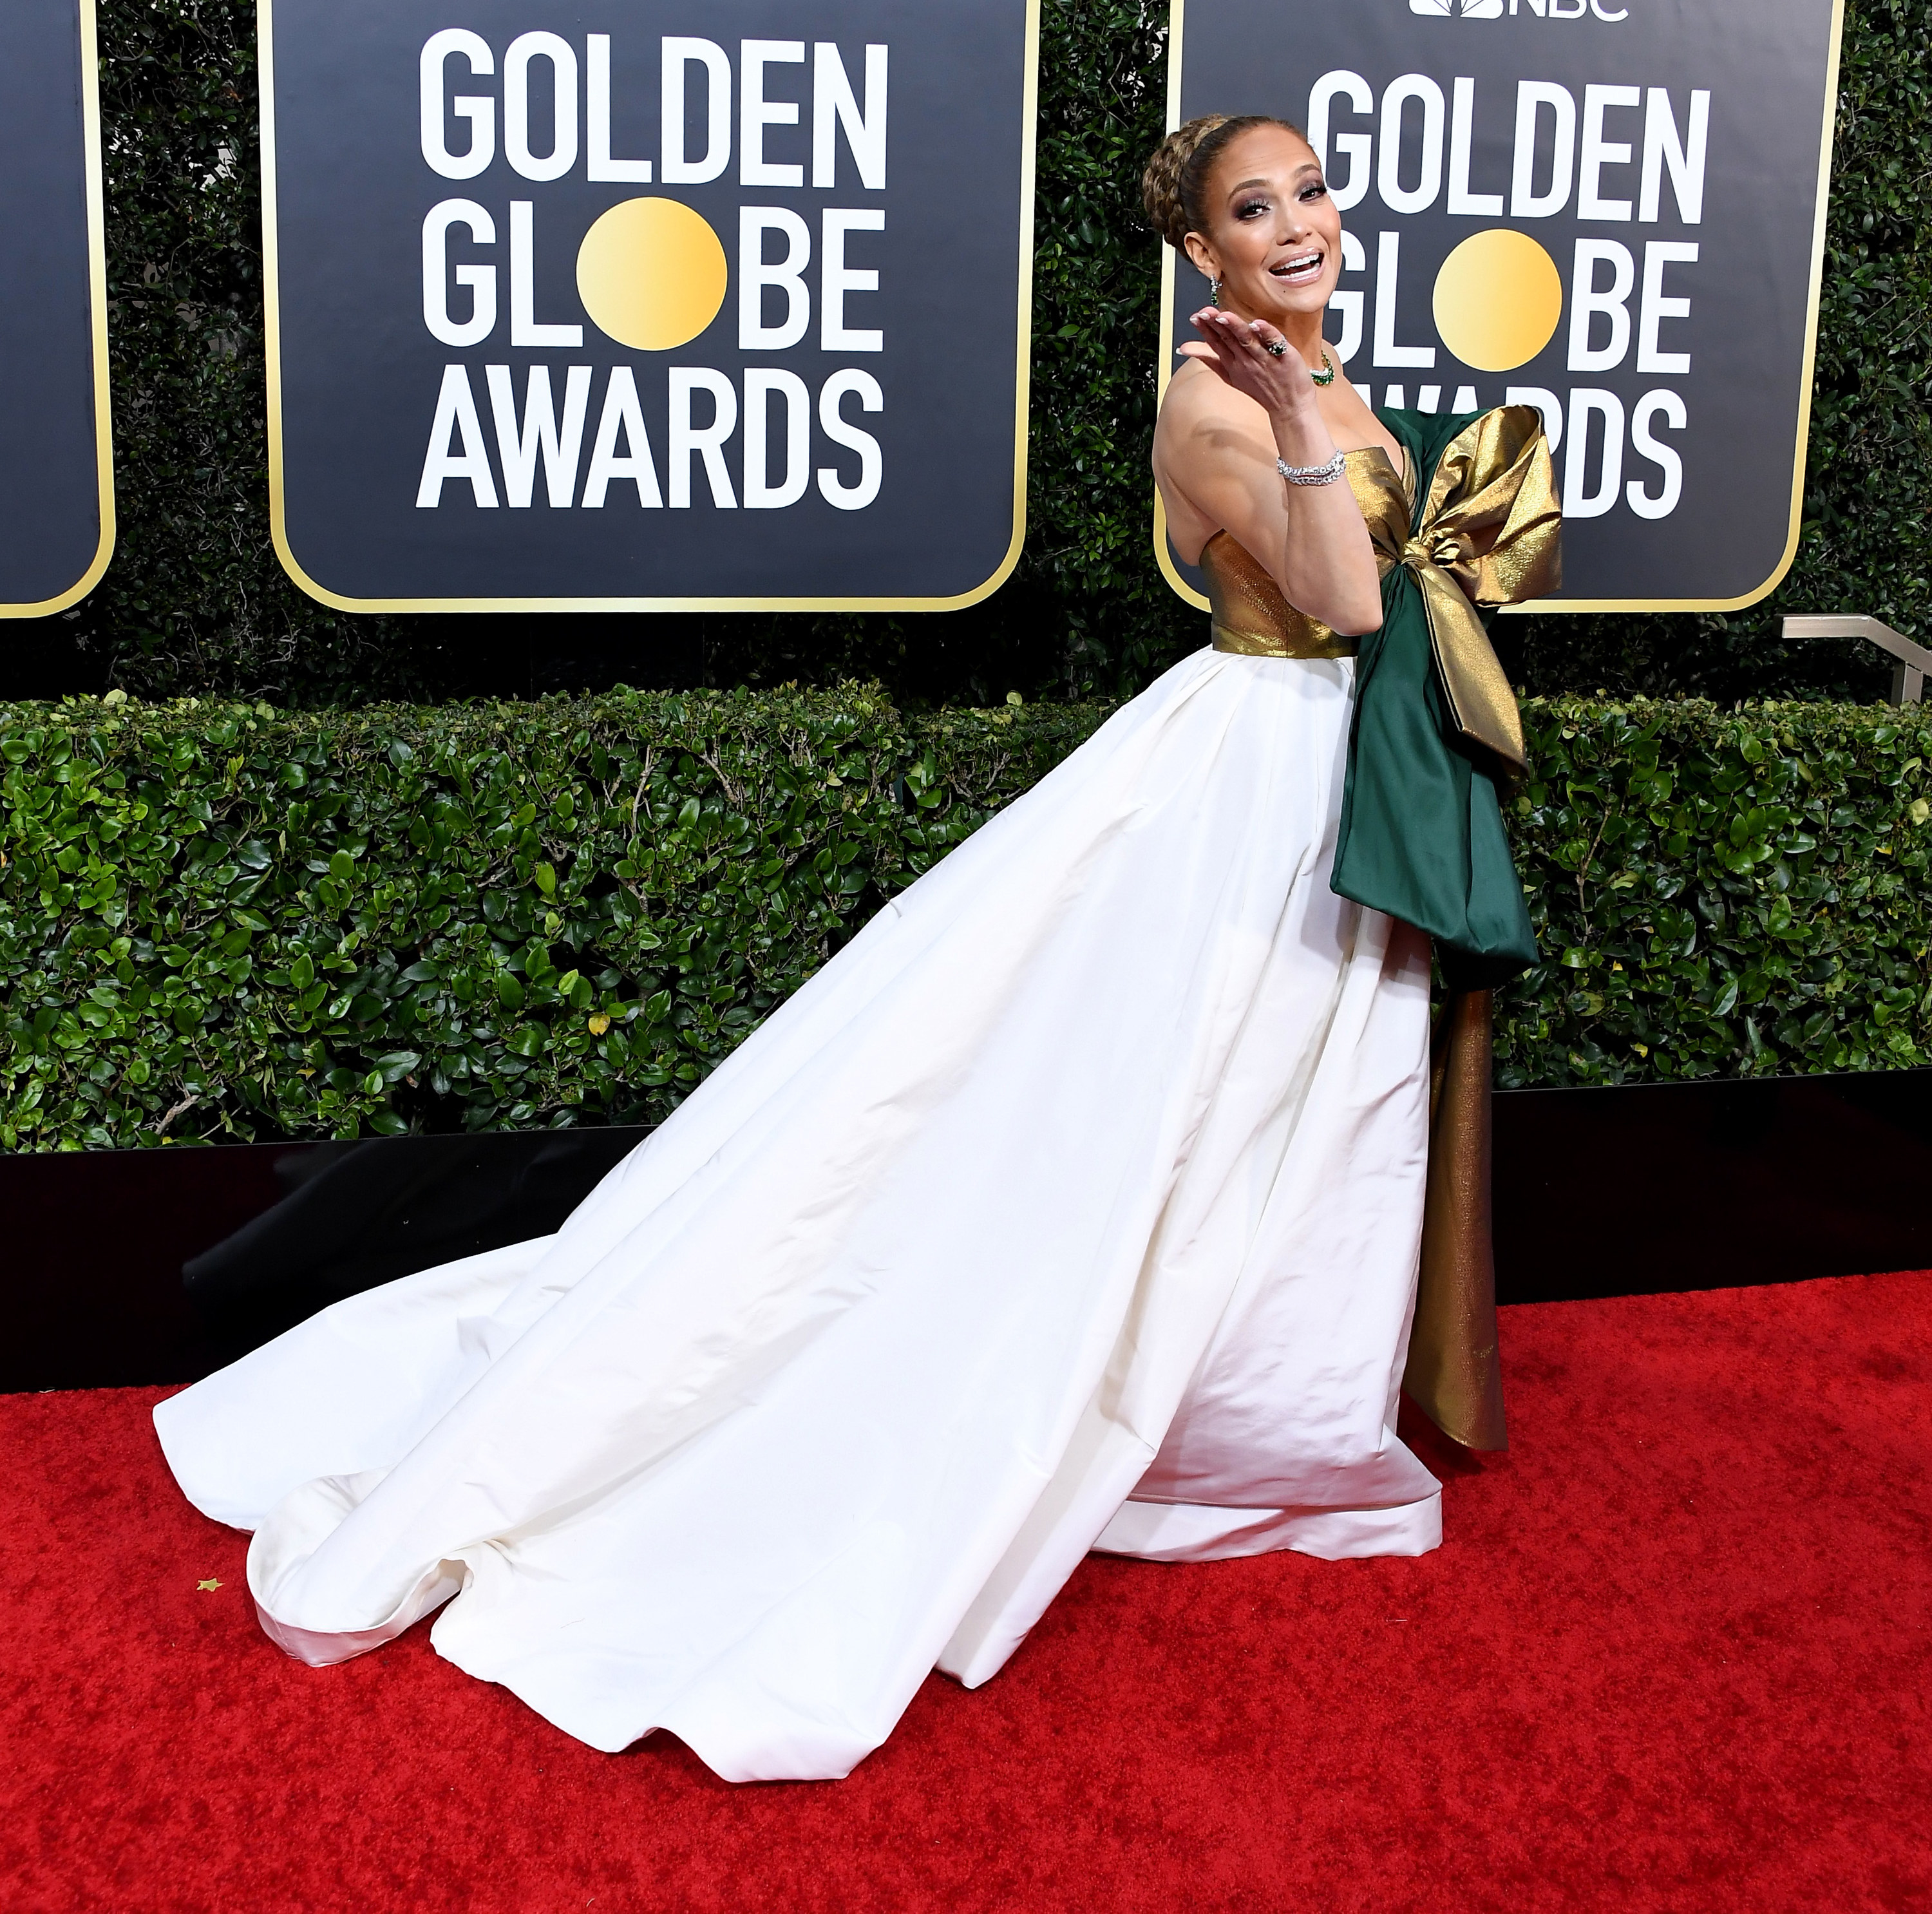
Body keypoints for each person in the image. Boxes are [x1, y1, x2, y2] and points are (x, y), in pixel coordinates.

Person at [155, 114, 1558, 1785]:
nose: (1301, 223)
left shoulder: (1325, 377)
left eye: (1312, 192)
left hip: (1339, 778)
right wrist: (1286, 423)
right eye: (1257, 208)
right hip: (1250, 782)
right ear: (1203, 252)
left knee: (1287, 1115)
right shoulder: (1211, 405)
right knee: (1170, 1107)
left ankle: (1233, 1417)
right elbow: (1338, 600)